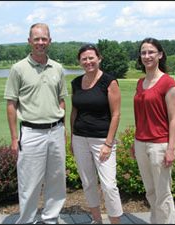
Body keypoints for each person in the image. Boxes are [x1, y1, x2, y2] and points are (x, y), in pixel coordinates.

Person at [4, 23, 68, 224]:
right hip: (31, 133)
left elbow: (61, 99)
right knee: (29, 183)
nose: (40, 42)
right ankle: (27, 221)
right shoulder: (18, 68)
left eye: (44, 38)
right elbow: (11, 104)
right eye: (36, 39)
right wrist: (15, 138)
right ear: (29, 41)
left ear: (50, 40)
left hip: (56, 130)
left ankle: (50, 218)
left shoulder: (57, 68)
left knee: (57, 181)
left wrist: (63, 127)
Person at [70, 44, 123, 224]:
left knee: (109, 185)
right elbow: (74, 111)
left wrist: (108, 144)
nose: (88, 61)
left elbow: (116, 114)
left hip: (102, 139)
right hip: (79, 138)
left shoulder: (109, 81)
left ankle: (115, 222)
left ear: (99, 59)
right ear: (80, 61)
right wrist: (72, 138)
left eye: (91, 58)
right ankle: (97, 220)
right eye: (84, 59)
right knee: (88, 182)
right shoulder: (76, 83)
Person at [131, 37, 175, 224]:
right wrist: (136, 142)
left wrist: (171, 149)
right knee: (150, 192)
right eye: (143, 52)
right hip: (141, 143)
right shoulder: (140, 82)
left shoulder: (168, 83)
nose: (147, 56)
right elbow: (140, 116)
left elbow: (173, 118)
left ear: (160, 55)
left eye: (151, 52)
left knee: (163, 194)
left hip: (159, 145)